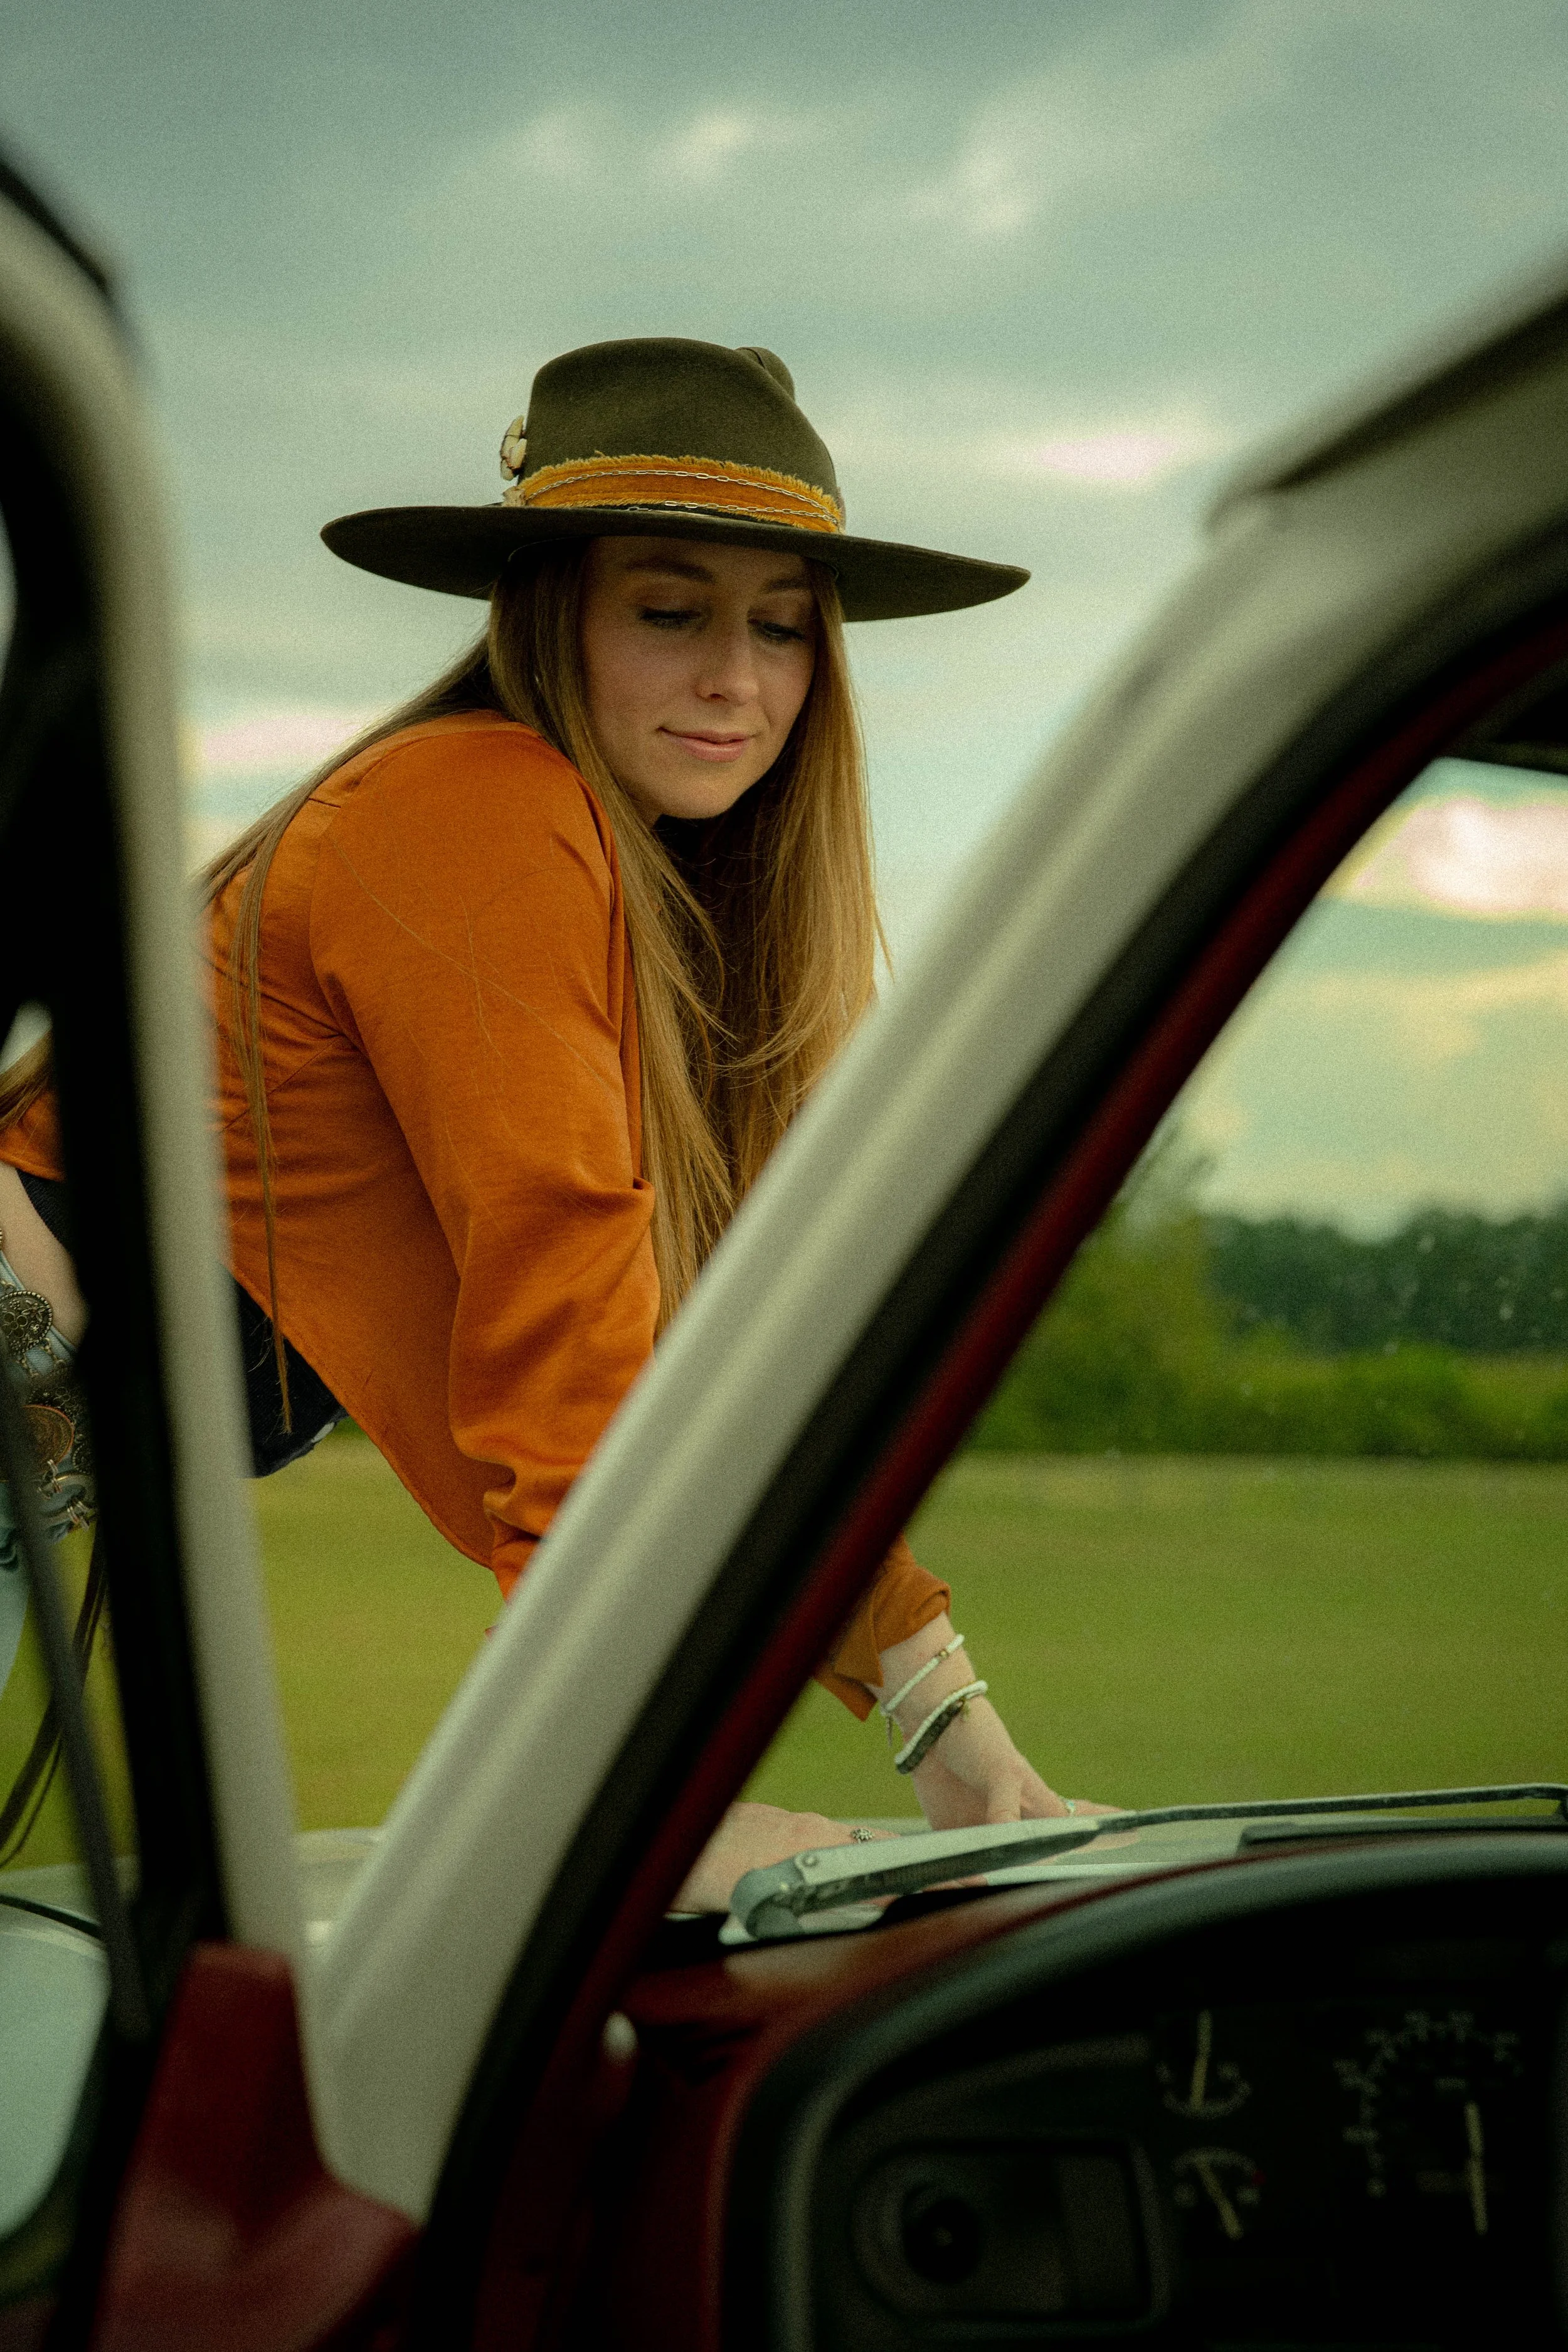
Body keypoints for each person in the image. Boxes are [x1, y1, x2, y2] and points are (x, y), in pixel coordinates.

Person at [0, 337, 1091, 1909]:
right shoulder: (481, 807)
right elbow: (558, 1301)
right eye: (670, 610)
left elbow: (732, 1365)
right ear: (549, 610)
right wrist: (623, 1798)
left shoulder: (637, 888)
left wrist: (953, 1731)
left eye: (783, 626)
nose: (737, 675)